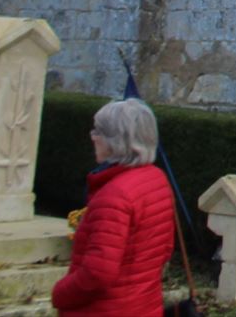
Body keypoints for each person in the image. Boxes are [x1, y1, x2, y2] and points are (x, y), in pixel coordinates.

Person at [50, 98, 178, 317]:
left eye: (98, 131)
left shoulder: (114, 196)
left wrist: (60, 293)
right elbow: (165, 249)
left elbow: (97, 273)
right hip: (144, 306)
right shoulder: (156, 180)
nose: (92, 136)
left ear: (115, 141)